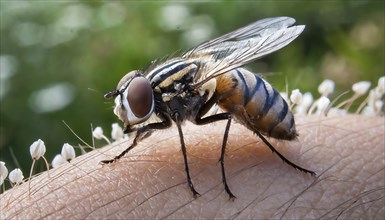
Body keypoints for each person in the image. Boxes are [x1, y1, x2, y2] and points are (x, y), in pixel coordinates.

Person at [0, 115, 384, 219]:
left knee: (233, 108)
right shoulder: (162, 99)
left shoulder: (175, 96)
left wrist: (213, 171)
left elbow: (188, 132)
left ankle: (278, 153)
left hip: (243, 96)